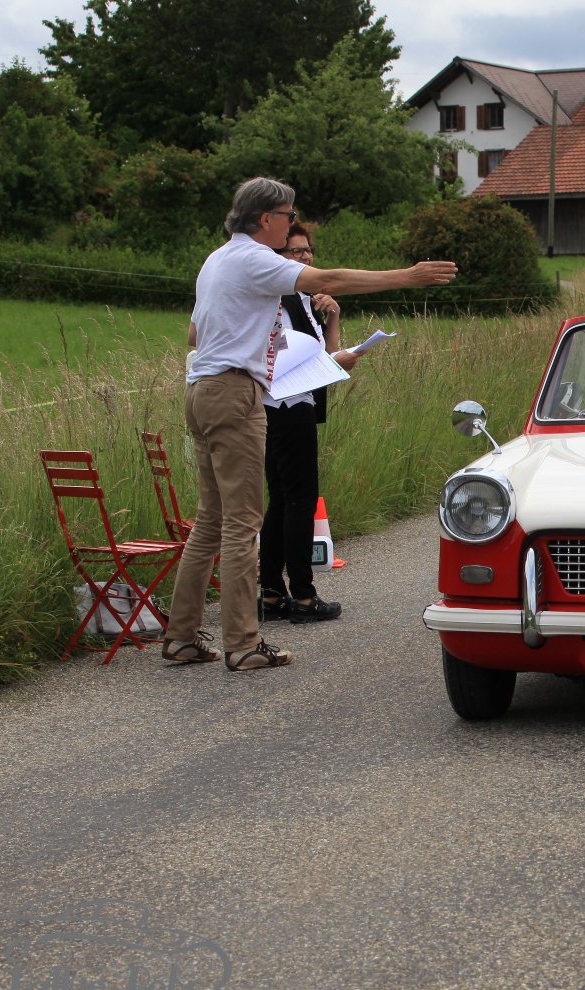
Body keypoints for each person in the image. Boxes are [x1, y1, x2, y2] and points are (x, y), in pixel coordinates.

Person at [163, 176, 456, 671]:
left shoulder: (218, 259)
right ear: (265, 218)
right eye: (288, 215)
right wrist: (408, 276)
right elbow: (329, 279)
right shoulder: (255, 258)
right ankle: (243, 643)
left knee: (211, 520)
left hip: (202, 390)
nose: (292, 224)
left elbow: (196, 331)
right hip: (234, 394)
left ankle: (182, 636)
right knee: (242, 524)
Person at [258, 221, 351, 626]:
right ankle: (303, 595)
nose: (305, 257)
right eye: (295, 252)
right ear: (279, 258)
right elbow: (283, 355)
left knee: (282, 498)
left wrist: (333, 316)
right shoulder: (279, 300)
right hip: (285, 404)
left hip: (290, 403)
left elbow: (328, 354)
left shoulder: (304, 299)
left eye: (308, 250)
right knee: (299, 499)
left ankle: (272, 592)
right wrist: (335, 361)